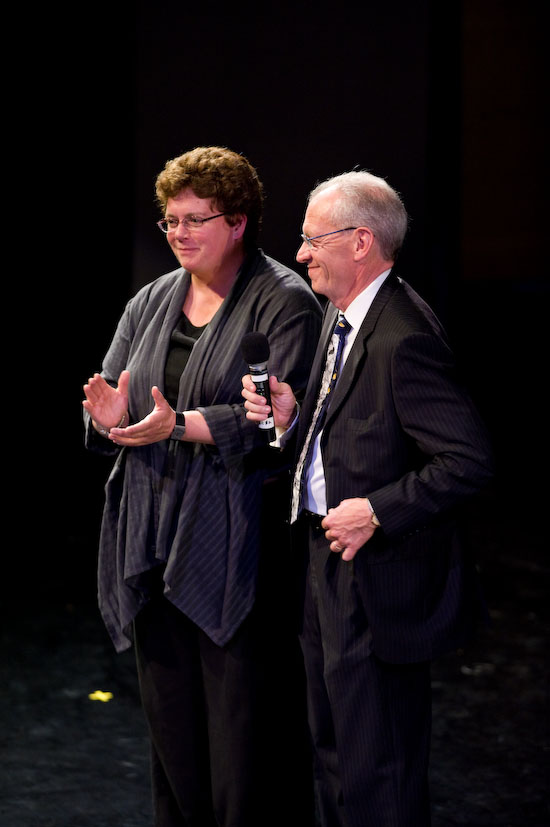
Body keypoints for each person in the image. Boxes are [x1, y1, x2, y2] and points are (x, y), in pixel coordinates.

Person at [242, 170, 494, 826]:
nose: (301, 254)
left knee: (377, 767)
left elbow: (468, 460)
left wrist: (378, 510)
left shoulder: (403, 336)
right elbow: (353, 428)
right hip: (325, 560)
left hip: (376, 583)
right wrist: (292, 418)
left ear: (360, 242)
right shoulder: (344, 314)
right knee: (333, 750)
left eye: (313, 240)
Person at [82, 146, 322, 827]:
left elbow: (281, 420)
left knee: (243, 746)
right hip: (153, 538)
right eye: (170, 220)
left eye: (195, 219)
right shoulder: (152, 299)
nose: (178, 233)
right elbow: (116, 393)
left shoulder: (283, 302)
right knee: (174, 744)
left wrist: (179, 425)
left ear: (238, 222)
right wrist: (108, 417)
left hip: (237, 545)